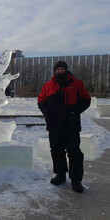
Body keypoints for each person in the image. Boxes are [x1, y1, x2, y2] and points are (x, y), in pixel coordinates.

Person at [38, 61, 91, 193]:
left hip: (71, 125)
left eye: (62, 69)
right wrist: (47, 113)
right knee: (56, 151)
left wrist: (75, 111)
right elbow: (41, 101)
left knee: (75, 153)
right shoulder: (48, 85)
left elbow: (86, 99)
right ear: (55, 71)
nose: (60, 71)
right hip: (54, 125)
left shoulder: (77, 84)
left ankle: (76, 180)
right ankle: (60, 175)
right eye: (58, 69)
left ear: (66, 70)